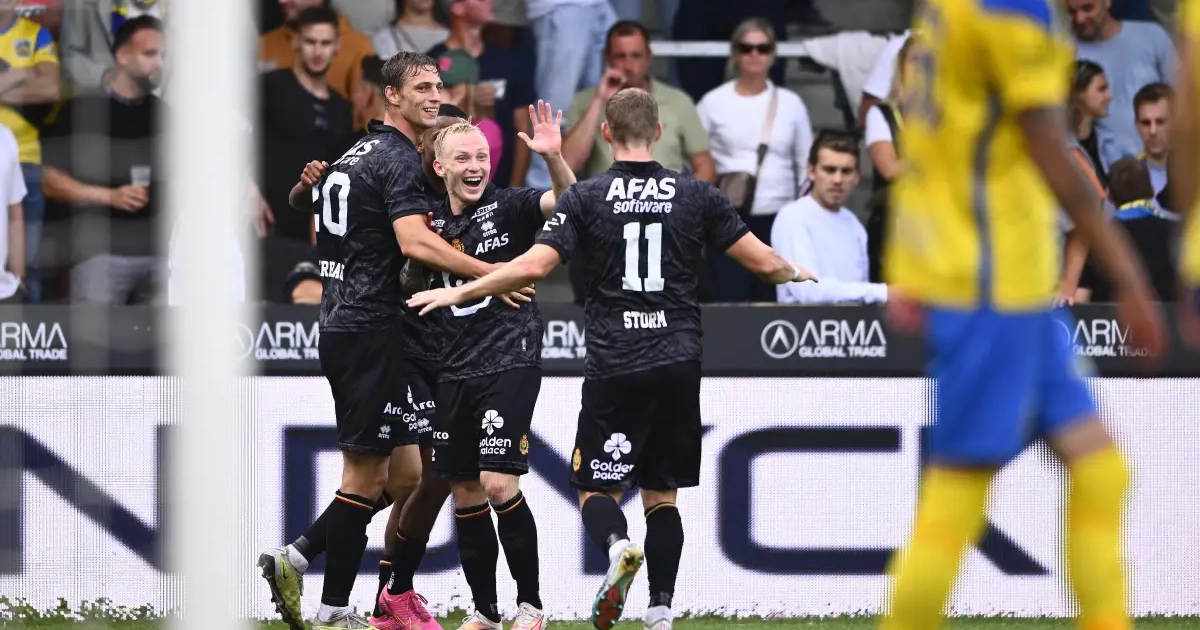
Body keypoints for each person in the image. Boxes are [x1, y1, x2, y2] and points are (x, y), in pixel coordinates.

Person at [407, 87, 816, 630]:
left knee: (593, 488)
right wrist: (796, 271)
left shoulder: (588, 196)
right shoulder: (698, 193)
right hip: (677, 358)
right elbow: (764, 263)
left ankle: (614, 546)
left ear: (605, 133)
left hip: (613, 360)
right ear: (660, 132)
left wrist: (459, 289)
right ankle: (660, 612)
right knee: (662, 494)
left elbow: (533, 266)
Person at [880, 3, 1164, 630]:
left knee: (1100, 471)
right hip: (993, 287)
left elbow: (934, 143)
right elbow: (1050, 151)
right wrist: (1128, 274)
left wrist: (913, 260)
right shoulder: (1014, 10)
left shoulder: (947, 11)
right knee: (958, 494)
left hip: (1004, 282)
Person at [257, 51, 498, 630]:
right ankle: (336, 610)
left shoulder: (358, 151)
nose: (434, 96)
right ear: (392, 95)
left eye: (437, 86)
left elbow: (310, 202)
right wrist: (491, 274)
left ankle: (297, 559)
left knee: (406, 475)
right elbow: (413, 243)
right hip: (371, 331)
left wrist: (302, 190)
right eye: (422, 88)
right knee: (364, 479)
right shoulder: (397, 159)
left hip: (356, 326)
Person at [418, 100, 575, 630]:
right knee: (465, 492)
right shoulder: (426, 221)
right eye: (463, 158)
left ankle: (530, 606)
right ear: (440, 166)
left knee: (498, 482)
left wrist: (553, 158)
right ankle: (485, 613)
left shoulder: (510, 206)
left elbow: (568, 203)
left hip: (510, 359)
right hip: (451, 368)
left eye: (482, 157)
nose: (475, 167)